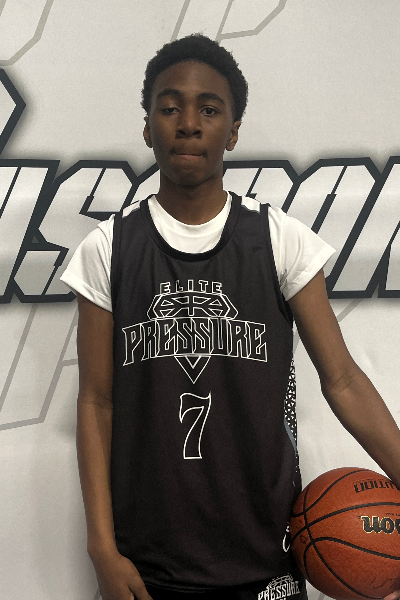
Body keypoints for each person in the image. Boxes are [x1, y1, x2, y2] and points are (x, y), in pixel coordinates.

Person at [60, 34, 400, 600]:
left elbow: (341, 379)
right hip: (147, 564)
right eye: (170, 108)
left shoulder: (280, 239)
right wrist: (101, 547)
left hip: (266, 558)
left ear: (234, 131)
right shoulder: (108, 248)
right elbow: (96, 402)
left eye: (209, 109)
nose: (189, 124)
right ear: (147, 127)